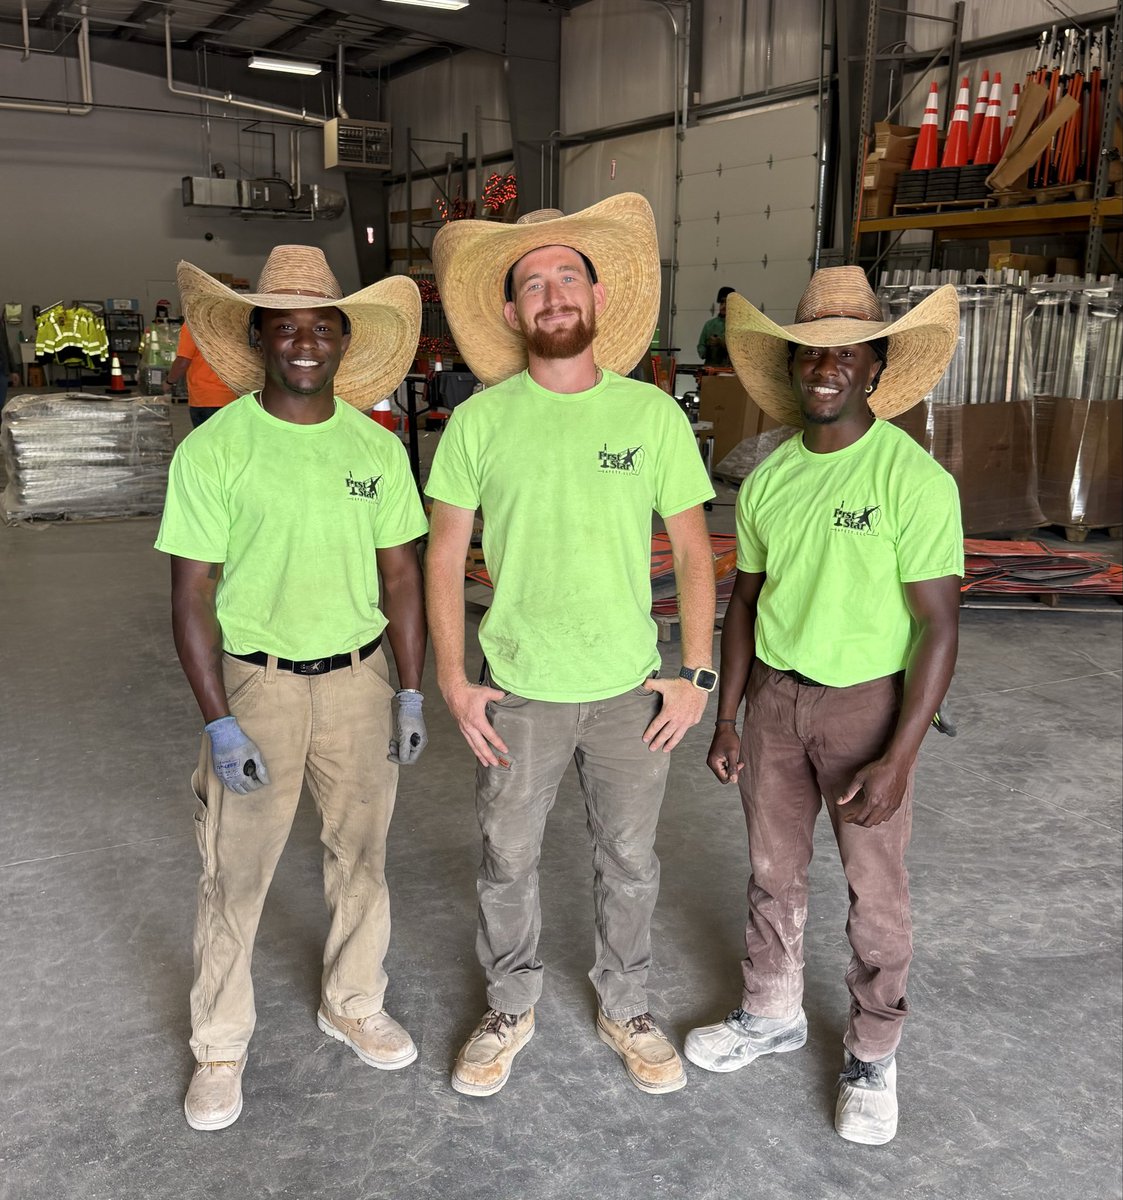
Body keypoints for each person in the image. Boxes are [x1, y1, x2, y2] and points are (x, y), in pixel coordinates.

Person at [425, 194, 718, 1098]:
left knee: (629, 859)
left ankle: (623, 1002)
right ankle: (511, 1002)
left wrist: (695, 675)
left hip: (631, 691)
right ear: (511, 314)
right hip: (517, 688)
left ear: (596, 298)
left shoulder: (651, 417)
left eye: (566, 276)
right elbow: (441, 556)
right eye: (531, 283)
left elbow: (698, 555)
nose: (551, 294)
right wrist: (452, 680)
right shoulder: (479, 422)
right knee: (506, 858)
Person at [684, 266, 962, 1146]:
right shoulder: (767, 481)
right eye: (811, 354)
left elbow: (939, 630)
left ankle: (874, 1053)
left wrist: (898, 755)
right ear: (793, 368)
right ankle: (770, 1013)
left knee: (873, 892)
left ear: (875, 364)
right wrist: (729, 716)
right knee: (772, 873)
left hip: (864, 709)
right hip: (773, 703)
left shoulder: (912, 481)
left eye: (846, 353)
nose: (826, 367)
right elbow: (744, 606)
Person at [154, 246, 429, 1132]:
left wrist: (410, 690)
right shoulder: (215, 450)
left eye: (320, 326)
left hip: (358, 681)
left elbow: (401, 582)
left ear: (344, 341)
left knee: (364, 860)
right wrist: (219, 721)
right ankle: (221, 1043)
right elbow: (191, 591)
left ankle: (352, 1000)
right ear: (260, 337)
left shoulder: (375, 449)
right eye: (287, 326)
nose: (304, 342)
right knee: (233, 875)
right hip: (259, 689)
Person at [162, 320, 237, 426]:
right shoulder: (228, 325)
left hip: (204, 398)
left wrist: (169, 382)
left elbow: (183, 362)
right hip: (230, 397)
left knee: (205, 441)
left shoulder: (193, 325)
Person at [696, 285, 735, 366]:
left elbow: (739, 350)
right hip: (711, 370)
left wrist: (721, 343)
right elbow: (701, 345)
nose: (724, 306)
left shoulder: (737, 326)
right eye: (722, 303)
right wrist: (705, 349)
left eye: (727, 303)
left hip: (730, 371)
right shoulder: (709, 325)